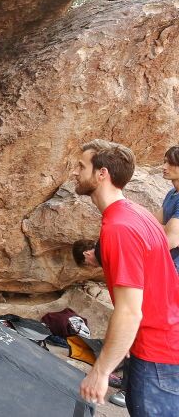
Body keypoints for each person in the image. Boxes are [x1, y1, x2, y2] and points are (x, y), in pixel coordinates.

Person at [70, 139, 179, 416]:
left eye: (82, 166)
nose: (74, 172)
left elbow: (130, 311)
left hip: (157, 352)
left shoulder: (120, 228)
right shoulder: (134, 213)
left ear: (102, 173)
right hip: (161, 343)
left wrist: (101, 371)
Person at [157, 146, 179, 273]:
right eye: (165, 162)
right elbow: (152, 223)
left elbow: (170, 240)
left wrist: (166, 228)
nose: (164, 167)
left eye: (171, 163)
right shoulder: (172, 193)